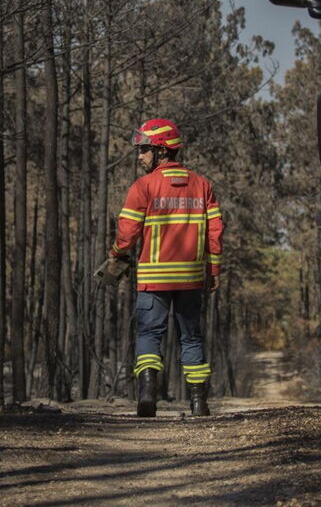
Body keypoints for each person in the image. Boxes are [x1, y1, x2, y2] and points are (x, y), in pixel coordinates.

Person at [104, 118, 223, 417]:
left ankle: (147, 396)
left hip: (153, 279)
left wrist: (116, 254)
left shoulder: (143, 186)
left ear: (161, 151)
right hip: (191, 278)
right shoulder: (203, 186)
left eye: (144, 149)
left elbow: (127, 233)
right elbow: (215, 233)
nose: (139, 156)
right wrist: (214, 270)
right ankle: (199, 403)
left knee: (148, 336)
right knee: (192, 337)